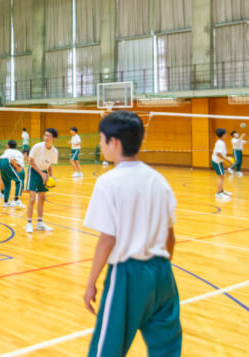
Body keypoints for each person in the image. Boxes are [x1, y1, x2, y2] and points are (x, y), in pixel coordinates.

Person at [83, 110, 181, 357]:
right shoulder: (159, 180)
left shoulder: (109, 182)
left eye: (101, 139)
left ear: (113, 142)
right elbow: (170, 236)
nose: (100, 144)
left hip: (129, 273)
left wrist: (91, 282)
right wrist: (160, 268)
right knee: (166, 346)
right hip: (163, 273)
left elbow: (108, 238)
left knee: (107, 348)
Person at [26, 128, 59, 233]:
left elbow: (49, 165)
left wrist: (51, 176)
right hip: (34, 171)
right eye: (45, 135)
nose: (46, 137)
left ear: (54, 138)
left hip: (44, 173)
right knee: (32, 198)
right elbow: (30, 162)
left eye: (48, 136)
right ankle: (29, 223)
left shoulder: (54, 152)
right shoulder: (37, 147)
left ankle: (40, 223)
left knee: (42, 198)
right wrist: (41, 174)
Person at [0, 140, 25, 208]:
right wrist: (16, 166)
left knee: (7, 183)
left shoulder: (6, 151)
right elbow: (20, 167)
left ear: (8, 145)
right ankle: (16, 200)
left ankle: (6, 202)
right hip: (7, 162)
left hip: (0, 162)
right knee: (20, 181)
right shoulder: (18, 153)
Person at [211, 128, 233, 201]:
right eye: (226, 133)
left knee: (222, 176)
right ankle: (218, 193)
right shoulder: (220, 143)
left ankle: (221, 191)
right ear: (223, 135)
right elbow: (218, 154)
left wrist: (226, 158)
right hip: (217, 162)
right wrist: (227, 160)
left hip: (219, 162)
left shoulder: (221, 142)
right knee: (221, 177)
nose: (226, 134)